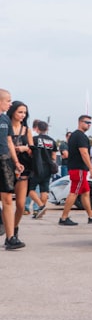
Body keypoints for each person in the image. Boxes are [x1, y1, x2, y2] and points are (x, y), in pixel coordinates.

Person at [58, 114, 92, 226]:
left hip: (77, 168)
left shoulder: (75, 135)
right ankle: (64, 218)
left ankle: (91, 216)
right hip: (78, 168)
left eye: (90, 123)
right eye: (86, 122)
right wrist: (91, 168)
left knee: (85, 192)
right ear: (80, 122)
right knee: (74, 192)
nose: (89, 125)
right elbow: (84, 153)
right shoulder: (80, 136)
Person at [0, 89, 25, 249]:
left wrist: (16, 161)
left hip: (4, 161)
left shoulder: (5, 119)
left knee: (8, 199)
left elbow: (9, 141)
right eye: (8, 100)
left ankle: (10, 238)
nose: (10, 103)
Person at [28, 119, 58, 219]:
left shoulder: (34, 139)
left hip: (37, 166)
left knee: (30, 189)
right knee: (44, 189)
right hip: (48, 167)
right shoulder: (52, 141)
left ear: (37, 128)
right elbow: (54, 157)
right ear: (46, 129)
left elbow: (30, 152)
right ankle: (40, 212)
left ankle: (41, 206)